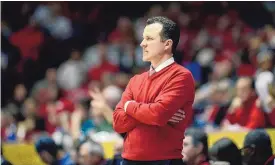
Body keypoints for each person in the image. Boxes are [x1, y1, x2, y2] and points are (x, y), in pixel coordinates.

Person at [113, 16, 195, 165]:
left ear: (167, 44)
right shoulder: (135, 80)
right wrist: (151, 112)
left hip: (164, 160)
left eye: (149, 39)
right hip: (128, 160)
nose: (142, 43)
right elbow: (118, 123)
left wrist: (128, 106)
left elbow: (158, 114)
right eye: (143, 38)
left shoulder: (182, 76)